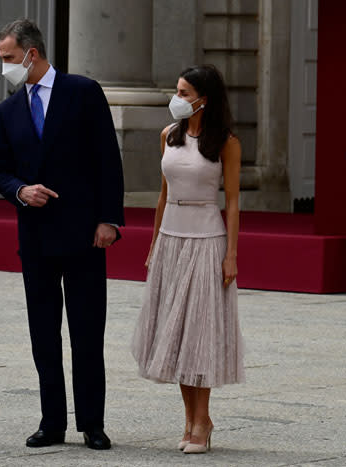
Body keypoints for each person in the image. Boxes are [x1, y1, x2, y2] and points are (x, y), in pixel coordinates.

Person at [0, 19, 125, 450]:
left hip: (85, 234)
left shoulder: (83, 91)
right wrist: (20, 191)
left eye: (8, 58)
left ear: (32, 52)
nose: (4, 66)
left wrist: (109, 220)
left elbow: (108, 158)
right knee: (43, 334)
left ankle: (92, 422)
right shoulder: (8, 109)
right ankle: (52, 422)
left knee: (87, 332)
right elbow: (1, 174)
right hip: (35, 237)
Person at [131, 65, 244, 454]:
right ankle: (189, 419)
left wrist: (231, 254)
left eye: (183, 92)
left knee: (199, 333)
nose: (176, 98)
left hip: (206, 237)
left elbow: (232, 201)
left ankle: (202, 419)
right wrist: (153, 244)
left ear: (203, 99)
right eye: (176, 90)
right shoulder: (168, 136)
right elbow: (163, 195)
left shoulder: (226, 143)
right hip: (171, 238)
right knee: (175, 334)